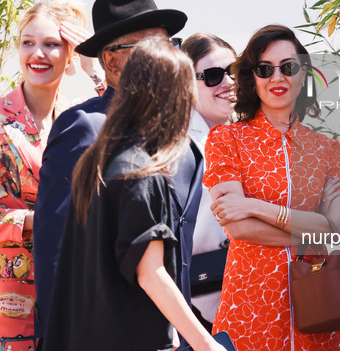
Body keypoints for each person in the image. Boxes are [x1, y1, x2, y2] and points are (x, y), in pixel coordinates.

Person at [32, 0, 190, 346]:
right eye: (150, 48)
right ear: (112, 61)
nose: (165, 57)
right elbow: (56, 245)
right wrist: (59, 336)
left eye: (171, 44)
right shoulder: (86, 126)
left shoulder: (157, 130)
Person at [42, 39, 224, 351]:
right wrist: (206, 344)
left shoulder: (98, 161)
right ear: (175, 99)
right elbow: (150, 273)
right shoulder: (142, 173)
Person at [203, 24, 340, 350]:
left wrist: (255, 206)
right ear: (251, 77)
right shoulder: (226, 140)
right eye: (264, 69)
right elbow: (239, 227)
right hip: (251, 307)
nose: (277, 77)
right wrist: (313, 227)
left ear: (303, 74)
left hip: (317, 308)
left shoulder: (331, 151)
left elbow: (334, 230)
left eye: (288, 67)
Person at [0, 0, 100, 346]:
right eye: (28, 43)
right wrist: (35, 219)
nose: (37, 53)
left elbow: (132, 132)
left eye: (51, 44)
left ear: (70, 54)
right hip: (8, 297)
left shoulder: (80, 120)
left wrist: (94, 67)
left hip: (68, 289)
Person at [180, 33, 236, 332]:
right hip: (196, 309)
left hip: (244, 297)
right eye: (213, 75)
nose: (228, 82)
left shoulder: (242, 135)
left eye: (235, 71)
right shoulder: (176, 148)